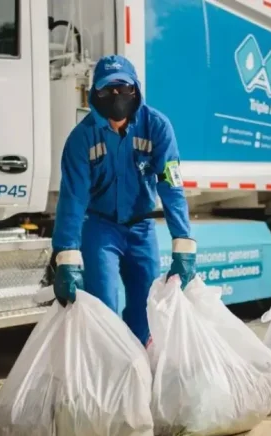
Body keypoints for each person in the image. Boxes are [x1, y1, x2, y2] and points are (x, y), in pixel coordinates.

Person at [35, 55, 196, 346]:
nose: (116, 96)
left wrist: (183, 244)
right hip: (100, 228)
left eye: (123, 88)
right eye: (108, 90)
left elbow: (171, 185)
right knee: (103, 307)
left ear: (135, 89)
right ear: (94, 93)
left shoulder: (157, 127)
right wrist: (65, 258)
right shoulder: (81, 139)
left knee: (146, 310)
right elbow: (72, 200)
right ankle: (111, 375)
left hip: (141, 228)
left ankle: (139, 374)